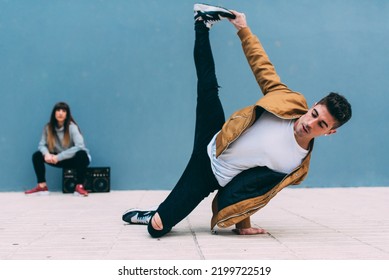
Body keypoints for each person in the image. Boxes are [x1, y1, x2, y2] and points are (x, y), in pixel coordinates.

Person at [122, 3, 352, 237]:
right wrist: (243, 29)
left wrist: (243, 224)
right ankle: (201, 22)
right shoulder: (290, 101)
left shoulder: (297, 165)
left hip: (211, 173)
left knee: (157, 229)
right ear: (313, 106)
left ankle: (154, 214)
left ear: (329, 132)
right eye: (314, 115)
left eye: (321, 124)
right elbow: (263, 67)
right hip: (217, 136)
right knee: (208, 86)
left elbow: (254, 186)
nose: (310, 123)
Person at [25, 102, 91, 196]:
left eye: (63, 111)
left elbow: (80, 146)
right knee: (37, 155)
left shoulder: (72, 127)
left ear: (67, 114)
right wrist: (46, 154)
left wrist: (58, 157)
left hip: (75, 160)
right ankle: (42, 187)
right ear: (54, 113)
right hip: (58, 159)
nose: (60, 113)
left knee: (82, 154)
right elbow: (41, 145)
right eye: (58, 110)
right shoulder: (48, 127)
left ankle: (79, 186)